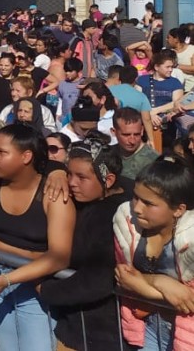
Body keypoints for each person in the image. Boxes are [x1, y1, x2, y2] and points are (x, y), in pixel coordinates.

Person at [0, 123, 76, 351]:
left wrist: (10, 279)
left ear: (26, 156)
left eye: (2, 152)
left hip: (34, 288)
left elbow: (59, 256)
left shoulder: (53, 193)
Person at [40, 136, 126, 351]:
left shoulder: (109, 217)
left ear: (109, 180)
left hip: (100, 333)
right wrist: (57, 171)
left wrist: (46, 289)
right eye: (69, 174)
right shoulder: (98, 200)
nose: (71, 182)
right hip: (79, 326)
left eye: (81, 177)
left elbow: (98, 279)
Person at [114, 157, 194, 351]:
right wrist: (159, 281)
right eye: (136, 197)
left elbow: (189, 301)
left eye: (148, 203)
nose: (137, 208)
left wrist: (143, 287)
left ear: (178, 210)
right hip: (148, 328)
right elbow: (124, 276)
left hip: (188, 334)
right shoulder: (127, 223)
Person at [113, 107, 159, 181]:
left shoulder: (154, 161)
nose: (132, 141)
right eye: (126, 135)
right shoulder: (107, 154)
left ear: (142, 131)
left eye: (136, 134)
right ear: (114, 132)